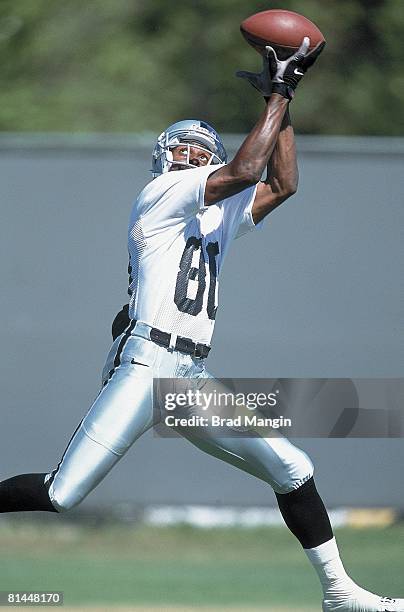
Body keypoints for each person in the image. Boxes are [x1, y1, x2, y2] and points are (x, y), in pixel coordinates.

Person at [0, 39, 402, 612]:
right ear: (164, 159)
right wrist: (278, 93)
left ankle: (340, 594)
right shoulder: (160, 195)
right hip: (145, 367)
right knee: (63, 494)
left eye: (199, 150)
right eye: (182, 148)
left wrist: (281, 106)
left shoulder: (214, 217)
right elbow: (244, 169)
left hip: (189, 376)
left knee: (292, 468)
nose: (190, 155)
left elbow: (283, 185)